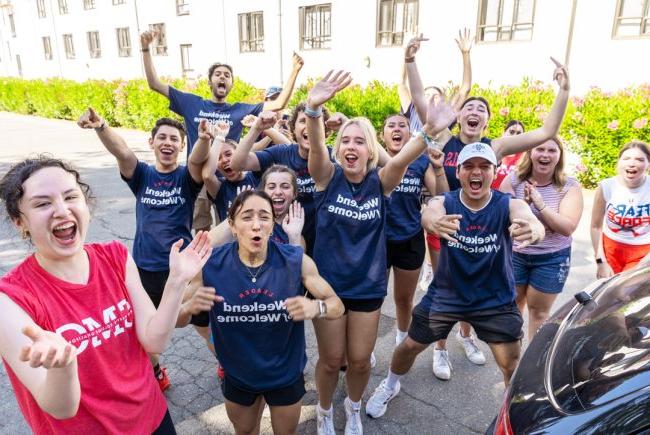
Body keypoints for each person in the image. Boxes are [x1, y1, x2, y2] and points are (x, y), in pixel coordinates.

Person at [0, 156, 212, 434]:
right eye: (42, 203)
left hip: (152, 417)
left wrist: (177, 281)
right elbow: (61, 408)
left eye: (70, 197)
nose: (62, 211)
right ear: (20, 222)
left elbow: (154, 340)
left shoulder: (115, 255)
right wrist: (61, 366)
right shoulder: (11, 298)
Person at [405, 34, 570, 380]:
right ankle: (440, 349)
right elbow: (420, 100)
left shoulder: (494, 147)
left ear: (487, 120)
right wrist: (410, 62)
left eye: (482, 109)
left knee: (477, 290)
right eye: (469, 106)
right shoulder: (442, 138)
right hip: (445, 225)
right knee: (443, 289)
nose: (474, 111)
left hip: (484, 230)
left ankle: (469, 337)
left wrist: (563, 92)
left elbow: (547, 131)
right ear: (459, 114)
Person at [306, 70, 457, 435]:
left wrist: (428, 130)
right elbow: (314, 149)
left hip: (368, 288)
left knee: (359, 362)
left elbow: (404, 157)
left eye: (360, 141)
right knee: (330, 361)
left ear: (369, 149)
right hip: (328, 287)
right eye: (345, 140)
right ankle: (325, 411)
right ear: (338, 148)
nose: (352, 147)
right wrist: (313, 110)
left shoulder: (380, 181)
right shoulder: (326, 176)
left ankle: (352, 407)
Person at [366, 142, 545, 419]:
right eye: (470, 167)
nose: (477, 172)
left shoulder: (508, 203)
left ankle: (511, 413)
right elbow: (430, 210)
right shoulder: (445, 201)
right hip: (446, 296)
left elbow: (527, 218)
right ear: (459, 172)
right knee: (408, 347)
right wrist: (433, 222)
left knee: (510, 362)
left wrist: (533, 228)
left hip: (494, 300)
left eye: (484, 166)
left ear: (494, 172)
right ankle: (390, 385)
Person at [77, 108, 208, 391]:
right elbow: (123, 152)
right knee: (144, 330)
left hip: (181, 269)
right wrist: (101, 125)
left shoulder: (186, 178)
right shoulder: (143, 176)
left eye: (174, 139)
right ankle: (157, 371)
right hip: (144, 269)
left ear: (181, 146)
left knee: (203, 323)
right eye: (162, 137)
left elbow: (198, 160)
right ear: (152, 143)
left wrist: (206, 139)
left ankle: (226, 364)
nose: (168, 143)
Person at [200, 190, 344, 435]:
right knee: (245, 432)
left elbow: (336, 305)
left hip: (284, 374)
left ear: (272, 224)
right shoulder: (210, 264)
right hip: (239, 375)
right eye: (247, 217)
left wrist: (315, 307)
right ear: (232, 226)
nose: (256, 225)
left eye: (264, 217)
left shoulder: (296, 261)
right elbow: (179, 319)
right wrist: (189, 306)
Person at [140, 31, 304, 150]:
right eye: (217, 74)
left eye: (227, 75)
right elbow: (154, 83)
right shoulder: (191, 103)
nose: (222, 77)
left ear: (231, 84)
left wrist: (295, 71)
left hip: (227, 179)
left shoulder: (240, 110)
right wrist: (145, 49)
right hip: (196, 180)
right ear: (210, 82)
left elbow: (280, 103)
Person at [499, 137, 583, 339]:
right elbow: (503, 219)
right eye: (540, 149)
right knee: (512, 308)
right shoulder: (512, 181)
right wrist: (523, 206)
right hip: (515, 255)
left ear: (559, 156)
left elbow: (567, 227)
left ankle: (532, 365)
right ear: (530, 153)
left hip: (552, 258)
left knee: (539, 313)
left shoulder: (569, 186)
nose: (545, 155)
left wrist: (540, 205)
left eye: (552, 150)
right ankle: (513, 361)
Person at [229, 105, 334, 257]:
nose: (309, 126)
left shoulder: (333, 157)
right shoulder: (283, 152)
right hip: (284, 238)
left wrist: (345, 125)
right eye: (303, 121)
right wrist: (257, 128)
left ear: (323, 130)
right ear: (293, 127)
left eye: (314, 122)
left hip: (324, 243)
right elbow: (237, 164)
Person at [382, 114, 448, 347]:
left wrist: (438, 169)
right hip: (377, 240)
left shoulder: (420, 162)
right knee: (373, 297)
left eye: (403, 125)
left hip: (410, 238)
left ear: (410, 135)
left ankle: (401, 337)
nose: (397, 129)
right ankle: (366, 343)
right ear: (383, 135)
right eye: (391, 125)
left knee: (403, 299)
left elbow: (442, 196)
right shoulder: (374, 160)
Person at [591, 140, 650, 277]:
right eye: (626, 158)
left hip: (643, 252)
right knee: (607, 293)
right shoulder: (607, 186)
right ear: (619, 162)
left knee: (627, 294)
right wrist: (601, 262)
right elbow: (595, 227)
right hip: (610, 249)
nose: (632, 163)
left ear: (648, 164)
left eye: (640, 159)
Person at [398, 29, 473, 133]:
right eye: (427, 95)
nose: (430, 99)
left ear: (443, 102)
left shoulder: (446, 117)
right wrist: (406, 51)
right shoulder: (412, 110)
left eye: (436, 96)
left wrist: (466, 53)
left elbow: (465, 89)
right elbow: (402, 84)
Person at [199, 119, 260, 222]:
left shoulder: (256, 177)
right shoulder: (220, 187)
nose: (224, 160)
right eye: (218, 158)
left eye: (228, 154)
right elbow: (207, 176)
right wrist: (219, 137)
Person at [259, 164, 305, 247]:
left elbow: (296, 259)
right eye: (271, 187)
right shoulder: (253, 223)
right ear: (263, 192)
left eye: (285, 187)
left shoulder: (298, 236)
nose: (278, 192)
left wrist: (294, 237)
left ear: (294, 193)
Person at [492, 120, 526, 188]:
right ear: (503, 133)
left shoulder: (525, 157)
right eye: (511, 132)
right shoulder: (493, 152)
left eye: (519, 133)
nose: (514, 136)